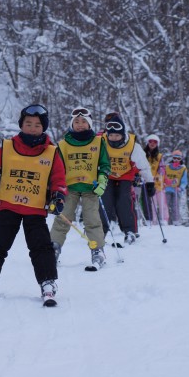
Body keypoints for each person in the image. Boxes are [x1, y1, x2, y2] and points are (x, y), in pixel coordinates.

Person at [0, 104, 67, 306]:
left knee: (41, 246)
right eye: (28, 124)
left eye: (37, 125)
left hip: (35, 209)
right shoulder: (8, 147)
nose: (32, 128)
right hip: (9, 206)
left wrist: (58, 196)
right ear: (21, 125)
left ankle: (47, 283)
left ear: (43, 127)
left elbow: (58, 178)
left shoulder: (51, 152)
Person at [49, 107, 111, 270]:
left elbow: (105, 164)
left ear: (89, 124)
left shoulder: (98, 142)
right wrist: (55, 188)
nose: (80, 124)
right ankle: (54, 248)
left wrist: (102, 180)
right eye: (76, 122)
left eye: (84, 121)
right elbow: (56, 167)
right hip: (69, 187)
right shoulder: (63, 144)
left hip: (91, 188)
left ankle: (97, 249)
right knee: (63, 218)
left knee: (92, 219)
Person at [100, 114, 155, 244]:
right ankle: (100, 231)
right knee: (104, 201)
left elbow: (144, 166)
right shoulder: (101, 142)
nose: (113, 138)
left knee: (124, 201)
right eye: (111, 135)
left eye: (117, 136)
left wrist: (150, 182)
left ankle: (130, 231)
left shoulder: (132, 146)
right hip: (106, 175)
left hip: (125, 176)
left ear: (123, 134)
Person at [142, 134, 168, 226]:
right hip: (147, 181)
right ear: (147, 143)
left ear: (157, 144)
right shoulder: (143, 154)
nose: (152, 144)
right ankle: (153, 220)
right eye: (150, 141)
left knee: (161, 202)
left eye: (155, 142)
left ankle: (164, 219)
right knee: (152, 202)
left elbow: (162, 167)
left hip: (158, 181)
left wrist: (160, 173)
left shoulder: (160, 156)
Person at [165, 149, 188, 225]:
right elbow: (163, 176)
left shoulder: (183, 168)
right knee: (166, 205)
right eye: (174, 158)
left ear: (181, 159)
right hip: (167, 188)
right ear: (172, 158)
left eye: (178, 158)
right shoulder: (167, 167)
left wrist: (181, 187)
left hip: (176, 189)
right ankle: (165, 221)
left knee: (175, 205)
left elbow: (184, 180)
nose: (176, 160)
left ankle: (176, 221)